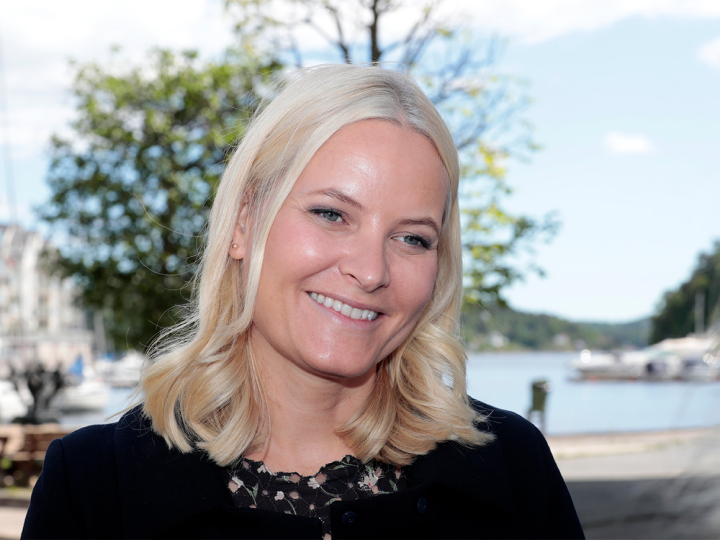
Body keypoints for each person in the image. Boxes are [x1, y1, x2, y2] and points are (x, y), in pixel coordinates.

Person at [22, 64, 584, 539]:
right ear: (244, 223)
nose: (370, 271)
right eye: (331, 214)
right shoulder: (95, 487)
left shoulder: (511, 468)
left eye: (413, 238)